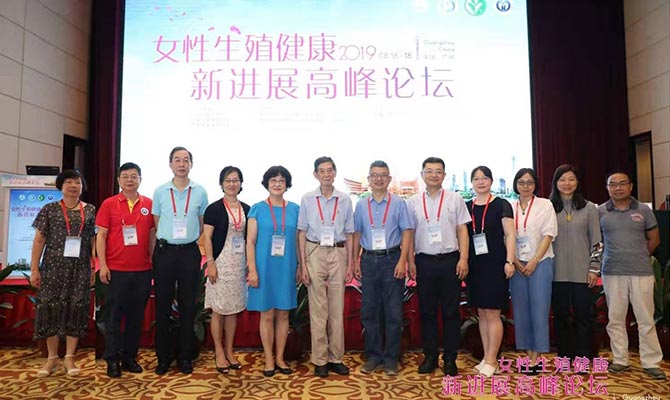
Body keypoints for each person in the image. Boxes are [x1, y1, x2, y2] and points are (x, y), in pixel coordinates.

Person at [406, 157, 471, 376]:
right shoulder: (413, 202)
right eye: (429, 171)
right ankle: (430, 357)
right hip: (424, 261)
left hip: (450, 261)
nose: (434, 175)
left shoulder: (455, 199)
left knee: (451, 312)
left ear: (444, 175)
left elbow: (462, 230)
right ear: (422, 174)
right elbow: (409, 233)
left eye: (438, 171)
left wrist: (464, 259)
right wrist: (410, 260)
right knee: (427, 311)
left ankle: (450, 358)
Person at [599, 171, 665, 380]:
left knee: (645, 318)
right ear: (607, 188)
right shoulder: (601, 211)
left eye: (622, 184)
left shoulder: (643, 209)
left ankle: (651, 362)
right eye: (612, 184)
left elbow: (654, 239)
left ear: (630, 186)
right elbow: (596, 242)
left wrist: (639, 257)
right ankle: (620, 360)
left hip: (641, 272)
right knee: (615, 319)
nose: (617, 188)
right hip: (612, 272)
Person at [30, 169, 96, 377]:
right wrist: (34, 269)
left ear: (82, 187)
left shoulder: (91, 210)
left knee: (76, 308)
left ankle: (69, 357)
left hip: (80, 268)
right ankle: (52, 358)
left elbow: (93, 241)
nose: (73, 186)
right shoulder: (49, 209)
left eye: (77, 182)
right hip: (52, 267)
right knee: (50, 309)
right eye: (68, 182)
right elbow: (39, 240)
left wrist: (94, 266)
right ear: (61, 186)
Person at [152, 146, 208, 375]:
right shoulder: (160, 191)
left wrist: (185, 238)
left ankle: (185, 357)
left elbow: (201, 224)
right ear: (170, 164)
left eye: (186, 160)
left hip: (189, 253)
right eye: (177, 160)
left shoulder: (200, 192)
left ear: (191, 164)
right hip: (165, 252)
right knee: (162, 306)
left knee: (188, 306)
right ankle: (163, 358)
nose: (182, 164)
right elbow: (156, 223)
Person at [353, 160, 413, 376]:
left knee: (394, 312)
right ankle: (374, 356)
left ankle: (391, 358)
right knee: (369, 311)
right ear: (369, 179)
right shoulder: (361, 205)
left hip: (392, 259)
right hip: (368, 260)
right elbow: (357, 234)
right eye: (374, 175)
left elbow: (407, 232)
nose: (379, 179)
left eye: (383, 175)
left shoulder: (399, 203)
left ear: (389, 179)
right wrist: (354, 261)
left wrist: (403, 261)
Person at [96, 162, 156, 378]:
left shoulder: (149, 204)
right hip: (115, 270)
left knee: (135, 317)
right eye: (125, 176)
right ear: (118, 180)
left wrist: (153, 262)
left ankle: (130, 357)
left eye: (134, 176)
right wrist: (103, 265)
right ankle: (112, 359)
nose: (130, 180)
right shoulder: (109, 204)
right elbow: (101, 236)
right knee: (113, 318)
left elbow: (152, 236)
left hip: (142, 270)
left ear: (140, 179)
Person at [297, 156, 354, 377]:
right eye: (322, 171)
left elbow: (350, 233)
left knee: (337, 309)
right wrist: (303, 265)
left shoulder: (345, 199)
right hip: (315, 251)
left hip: (338, 252)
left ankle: (335, 358)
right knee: (318, 309)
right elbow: (301, 232)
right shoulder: (307, 199)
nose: (327, 174)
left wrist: (350, 262)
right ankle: (320, 359)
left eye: (330, 170)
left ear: (335, 172)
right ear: (315, 175)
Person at [246, 165, 300, 377]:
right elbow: (250, 242)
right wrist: (252, 270)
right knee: (267, 314)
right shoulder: (257, 209)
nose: (277, 184)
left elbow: (299, 241)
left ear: (287, 184)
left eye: (281, 180)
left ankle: (280, 358)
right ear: (267, 184)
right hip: (264, 267)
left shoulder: (295, 209)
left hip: (286, 267)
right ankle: (269, 358)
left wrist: (301, 266)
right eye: (273, 180)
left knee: (284, 313)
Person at [465, 166, 516, 378]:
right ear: (472, 183)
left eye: (484, 178)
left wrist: (510, 261)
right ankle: (486, 358)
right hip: (475, 266)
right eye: (476, 179)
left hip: (496, 264)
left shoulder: (501, 204)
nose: (481, 182)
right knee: (482, 314)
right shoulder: (467, 206)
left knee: (493, 313)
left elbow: (510, 235)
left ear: (491, 181)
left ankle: (493, 360)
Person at [549, 164, 602, 362]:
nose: (567, 183)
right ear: (556, 183)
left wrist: (594, 269)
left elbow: (597, 242)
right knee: (561, 317)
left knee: (583, 317)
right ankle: (564, 356)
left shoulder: (589, 207)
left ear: (578, 182)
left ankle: (584, 357)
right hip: (556, 273)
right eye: (562, 180)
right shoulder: (548, 208)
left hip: (583, 273)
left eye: (571, 179)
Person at [509, 167, 557, 374]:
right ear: (516, 185)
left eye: (529, 182)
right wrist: (515, 261)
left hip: (541, 262)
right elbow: (506, 236)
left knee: (539, 309)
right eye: (521, 182)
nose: (525, 186)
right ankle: (527, 353)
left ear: (535, 184)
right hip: (517, 264)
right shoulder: (509, 206)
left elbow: (549, 235)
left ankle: (536, 356)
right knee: (521, 310)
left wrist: (535, 261)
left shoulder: (545, 204)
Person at [203, 166, 250, 374]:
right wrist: (210, 262)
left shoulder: (247, 208)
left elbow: (250, 238)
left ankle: (230, 351)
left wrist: (250, 263)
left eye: (236, 180)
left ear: (241, 183)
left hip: (239, 265)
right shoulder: (213, 209)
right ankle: (219, 351)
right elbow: (207, 237)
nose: (232, 184)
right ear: (221, 183)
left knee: (233, 310)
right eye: (228, 180)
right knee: (219, 310)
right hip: (220, 263)